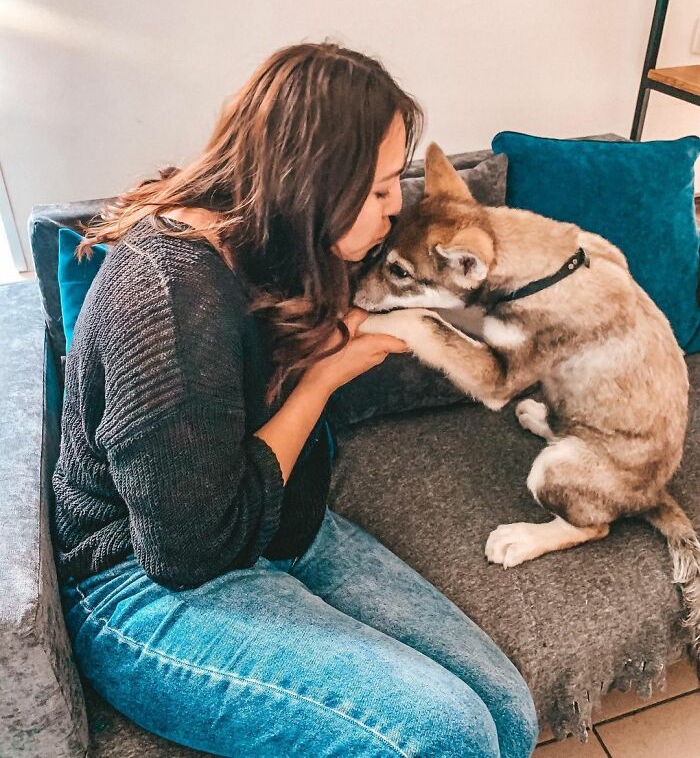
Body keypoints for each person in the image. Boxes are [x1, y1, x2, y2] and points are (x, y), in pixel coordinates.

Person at [56, 41, 539, 757]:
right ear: (308, 183)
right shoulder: (166, 298)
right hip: (140, 577)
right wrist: (322, 378)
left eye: (395, 180)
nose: (394, 206)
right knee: (446, 733)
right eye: (377, 191)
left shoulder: (279, 242)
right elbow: (190, 551)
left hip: (273, 519)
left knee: (507, 712)